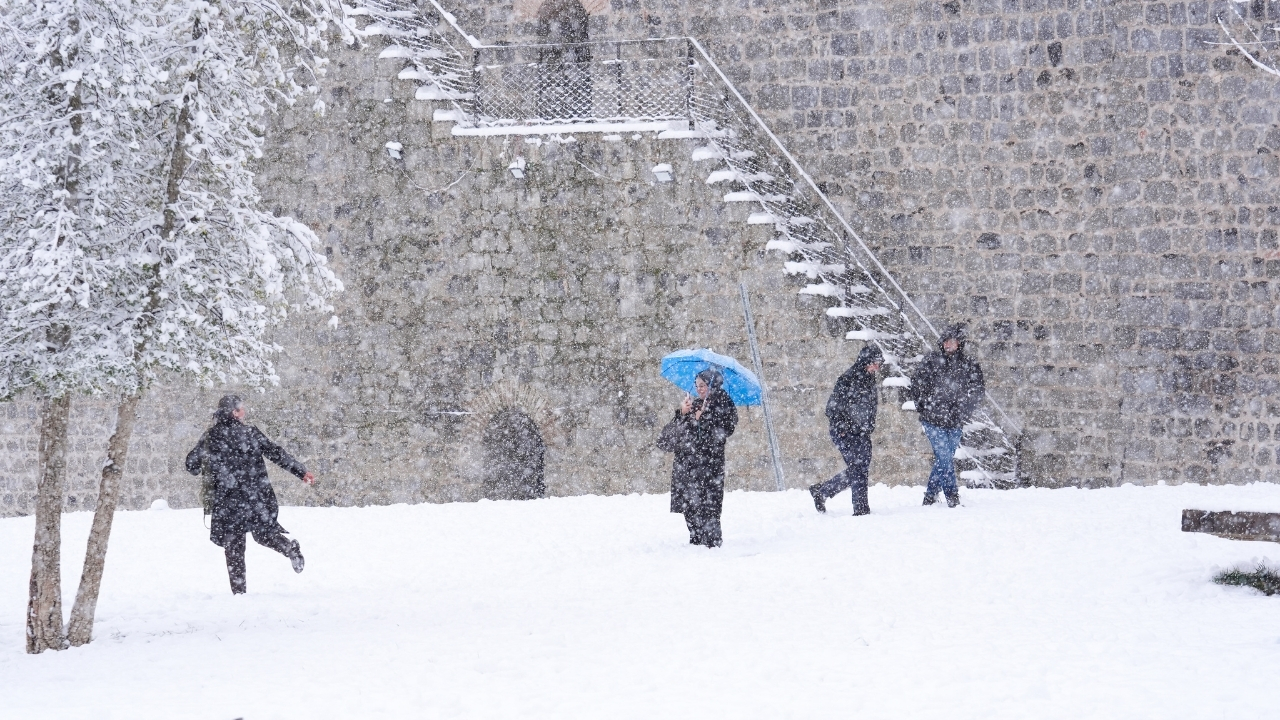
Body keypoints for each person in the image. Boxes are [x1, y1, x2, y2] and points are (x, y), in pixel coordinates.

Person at [185, 395, 315, 594]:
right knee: (264, 534)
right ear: (233, 412)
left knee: (234, 548)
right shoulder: (250, 433)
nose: (244, 412)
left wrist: (208, 458)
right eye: (241, 409)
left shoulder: (212, 436)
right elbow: (276, 453)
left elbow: (191, 465)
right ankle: (289, 549)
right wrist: (300, 471)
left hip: (228, 501)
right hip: (256, 496)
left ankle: (239, 594)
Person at [908, 324, 985, 508]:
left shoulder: (968, 365)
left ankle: (929, 496)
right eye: (946, 341)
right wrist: (924, 407)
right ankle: (952, 497)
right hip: (933, 420)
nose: (949, 345)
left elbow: (978, 390)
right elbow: (916, 385)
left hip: (955, 421)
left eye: (952, 341)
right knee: (944, 457)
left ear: (959, 343)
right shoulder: (931, 361)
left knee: (945, 459)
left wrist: (965, 410)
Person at [666, 369, 738, 547]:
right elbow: (667, 439)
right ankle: (696, 540)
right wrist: (682, 413)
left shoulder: (723, 403)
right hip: (689, 466)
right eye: (697, 386)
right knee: (690, 506)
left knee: (710, 506)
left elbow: (723, 431)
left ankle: (712, 544)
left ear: (712, 385)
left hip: (709, 466)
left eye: (703, 385)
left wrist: (704, 418)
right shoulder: (695, 404)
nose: (699, 389)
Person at [809, 344, 882, 516]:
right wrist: (842, 427)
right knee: (858, 468)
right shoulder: (847, 379)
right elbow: (832, 408)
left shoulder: (869, 379)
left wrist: (868, 425)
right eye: (875, 363)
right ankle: (861, 509)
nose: (877, 367)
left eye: (879, 363)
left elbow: (869, 407)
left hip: (862, 431)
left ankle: (823, 491)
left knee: (861, 469)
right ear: (866, 361)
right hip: (845, 432)